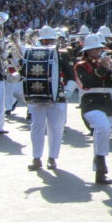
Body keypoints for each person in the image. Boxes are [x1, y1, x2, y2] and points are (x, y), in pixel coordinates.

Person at [25, 26, 75, 171]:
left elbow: (71, 75)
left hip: (57, 95)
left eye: (51, 40)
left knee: (56, 128)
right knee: (36, 126)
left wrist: (68, 91)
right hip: (37, 95)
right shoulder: (33, 53)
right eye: (45, 40)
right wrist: (15, 76)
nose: (48, 43)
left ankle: (52, 157)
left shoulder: (63, 54)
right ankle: (36, 157)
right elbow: (25, 71)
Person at [74, 34, 112, 185]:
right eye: (94, 49)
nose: (98, 51)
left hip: (106, 103)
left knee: (103, 134)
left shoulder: (105, 65)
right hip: (90, 103)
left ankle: (99, 172)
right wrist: (102, 67)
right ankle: (100, 159)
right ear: (87, 51)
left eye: (99, 48)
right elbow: (87, 81)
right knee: (103, 127)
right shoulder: (81, 65)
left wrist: (111, 69)